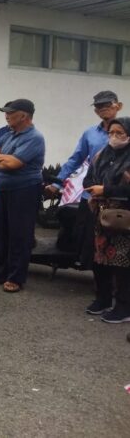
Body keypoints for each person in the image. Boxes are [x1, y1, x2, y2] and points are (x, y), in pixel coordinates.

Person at [46, 91, 122, 271]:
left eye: (107, 105)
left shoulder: (125, 132)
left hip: (118, 197)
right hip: (90, 195)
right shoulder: (90, 134)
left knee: (116, 240)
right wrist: (58, 183)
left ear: (118, 106)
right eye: (98, 106)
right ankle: (98, 282)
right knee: (87, 239)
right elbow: (75, 159)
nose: (102, 109)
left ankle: (116, 285)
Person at [0, 99, 45, 293]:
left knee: (20, 234)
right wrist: (3, 159)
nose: (6, 115)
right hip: (4, 189)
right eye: (6, 112)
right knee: (1, 231)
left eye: (10, 112)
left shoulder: (34, 137)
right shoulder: (8, 134)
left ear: (24, 116)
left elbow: (13, 164)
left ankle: (16, 277)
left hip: (24, 190)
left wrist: (0, 159)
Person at [83, 116, 130, 324]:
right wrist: (95, 189)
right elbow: (88, 177)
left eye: (120, 133)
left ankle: (123, 306)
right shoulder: (102, 154)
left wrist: (107, 189)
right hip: (101, 215)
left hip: (124, 219)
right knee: (100, 259)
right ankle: (102, 298)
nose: (114, 137)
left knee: (122, 263)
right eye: (111, 133)